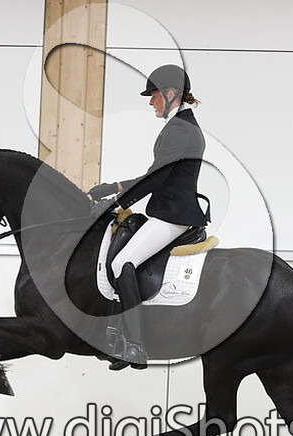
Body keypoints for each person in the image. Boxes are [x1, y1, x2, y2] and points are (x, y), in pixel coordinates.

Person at [87, 64, 208, 370]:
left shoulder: (179, 129)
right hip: (170, 209)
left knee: (122, 263)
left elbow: (156, 178)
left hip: (173, 214)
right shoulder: (182, 126)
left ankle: (135, 346)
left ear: (171, 94)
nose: (151, 102)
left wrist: (116, 203)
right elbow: (155, 173)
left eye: (154, 95)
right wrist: (115, 187)